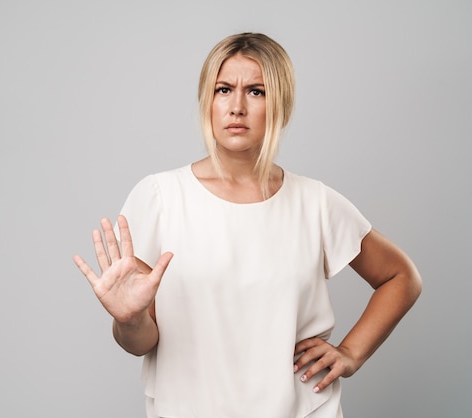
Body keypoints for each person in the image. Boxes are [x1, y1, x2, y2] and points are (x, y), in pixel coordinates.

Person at [73, 32, 422, 418]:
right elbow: (139, 342)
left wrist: (351, 352)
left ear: (281, 106)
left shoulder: (315, 202)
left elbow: (400, 277)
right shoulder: (160, 197)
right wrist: (130, 319)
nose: (236, 106)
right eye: (224, 89)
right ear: (207, 101)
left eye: (256, 91)